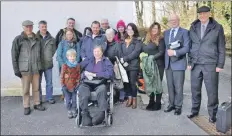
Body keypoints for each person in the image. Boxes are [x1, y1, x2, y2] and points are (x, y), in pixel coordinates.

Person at [187, 6, 226, 123]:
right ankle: (194, 111)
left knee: (212, 91)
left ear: (209, 13)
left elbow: (221, 48)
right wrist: (189, 62)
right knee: (195, 90)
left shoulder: (217, 27)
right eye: (200, 14)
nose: (202, 16)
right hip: (195, 64)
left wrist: (220, 65)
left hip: (210, 64)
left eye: (204, 13)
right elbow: (190, 46)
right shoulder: (193, 27)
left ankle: (213, 114)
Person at [11, 20, 46, 115]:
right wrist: (16, 69)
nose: (29, 28)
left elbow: (41, 54)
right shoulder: (18, 39)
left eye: (30, 26)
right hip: (25, 69)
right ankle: (26, 106)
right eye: (27, 27)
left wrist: (41, 66)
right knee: (26, 89)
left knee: (36, 88)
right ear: (23, 27)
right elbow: (14, 55)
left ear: (33, 27)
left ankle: (37, 103)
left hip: (36, 68)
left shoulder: (38, 39)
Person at [78, 45, 114, 126]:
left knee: (102, 90)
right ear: (93, 52)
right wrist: (84, 74)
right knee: (82, 89)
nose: (96, 53)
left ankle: (101, 114)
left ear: (102, 52)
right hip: (87, 82)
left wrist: (95, 74)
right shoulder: (89, 60)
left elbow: (110, 73)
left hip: (100, 83)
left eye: (98, 51)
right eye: (95, 51)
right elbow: (78, 68)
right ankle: (85, 114)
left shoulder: (106, 61)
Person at [163, 14, 190, 115]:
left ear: (178, 20)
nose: (173, 22)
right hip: (168, 64)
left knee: (178, 87)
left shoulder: (185, 32)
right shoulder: (166, 33)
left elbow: (187, 48)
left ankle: (178, 106)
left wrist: (175, 53)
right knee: (170, 86)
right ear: (169, 22)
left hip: (179, 62)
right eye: (171, 20)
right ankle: (171, 104)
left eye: (175, 20)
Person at [117, 23, 142, 109]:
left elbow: (135, 53)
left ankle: (134, 99)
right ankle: (129, 98)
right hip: (124, 65)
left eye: (131, 29)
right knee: (126, 83)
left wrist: (125, 59)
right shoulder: (123, 40)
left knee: (132, 83)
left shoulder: (138, 41)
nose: (129, 31)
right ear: (126, 30)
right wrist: (122, 60)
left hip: (133, 65)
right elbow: (120, 51)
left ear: (134, 30)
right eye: (128, 29)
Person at [141, 22, 165, 111]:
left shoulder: (161, 39)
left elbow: (161, 52)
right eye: (153, 28)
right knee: (150, 83)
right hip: (148, 65)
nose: (154, 30)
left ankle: (158, 103)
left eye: (156, 28)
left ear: (159, 30)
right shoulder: (146, 38)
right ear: (150, 29)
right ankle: (151, 101)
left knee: (157, 84)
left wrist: (152, 58)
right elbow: (141, 49)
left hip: (158, 64)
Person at [36, 20, 56, 104]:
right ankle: (39, 99)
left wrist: (48, 56)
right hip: (38, 64)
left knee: (49, 83)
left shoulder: (51, 39)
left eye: (45, 27)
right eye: (42, 27)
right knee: (38, 83)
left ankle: (49, 97)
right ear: (39, 27)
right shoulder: (35, 38)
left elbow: (53, 50)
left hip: (48, 64)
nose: (44, 28)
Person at [104, 28, 125, 103]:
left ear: (113, 35)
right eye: (107, 35)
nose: (109, 36)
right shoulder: (104, 44)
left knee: (118, 79)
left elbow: (120, 55)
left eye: (111, 34)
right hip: (106, 65)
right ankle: (110, 96)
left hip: (115, 63)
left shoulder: (117, 44)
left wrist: (115, 62)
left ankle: (121, 95)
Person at [60, 49, 81, 119]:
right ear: (67, 57)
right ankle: (69, 110)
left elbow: (78, 75)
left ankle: (74, 110)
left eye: (73, 56)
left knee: (74, 99)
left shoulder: (77, 65)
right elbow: (62, 76)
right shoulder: (64, 66)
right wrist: (63, 85)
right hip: (67, 86)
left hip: (75, 86)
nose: (72, 58)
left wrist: (78, 82)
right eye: (70, 56)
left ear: (75, 57)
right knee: (68, 100)